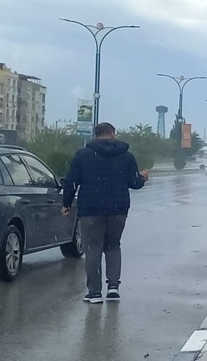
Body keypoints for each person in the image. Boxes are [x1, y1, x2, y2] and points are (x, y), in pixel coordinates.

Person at [62, 123, 149, 303]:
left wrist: (66, 204)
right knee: (113, 246)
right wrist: (143, 177)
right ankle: (113, 287)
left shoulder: (83, 155)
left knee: (92, 250)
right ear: (112, 134)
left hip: (90, 210)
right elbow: (134, 183)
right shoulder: (126, 156)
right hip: (118, 209)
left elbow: (71, 181)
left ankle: (94, 293)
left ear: (96, 135)